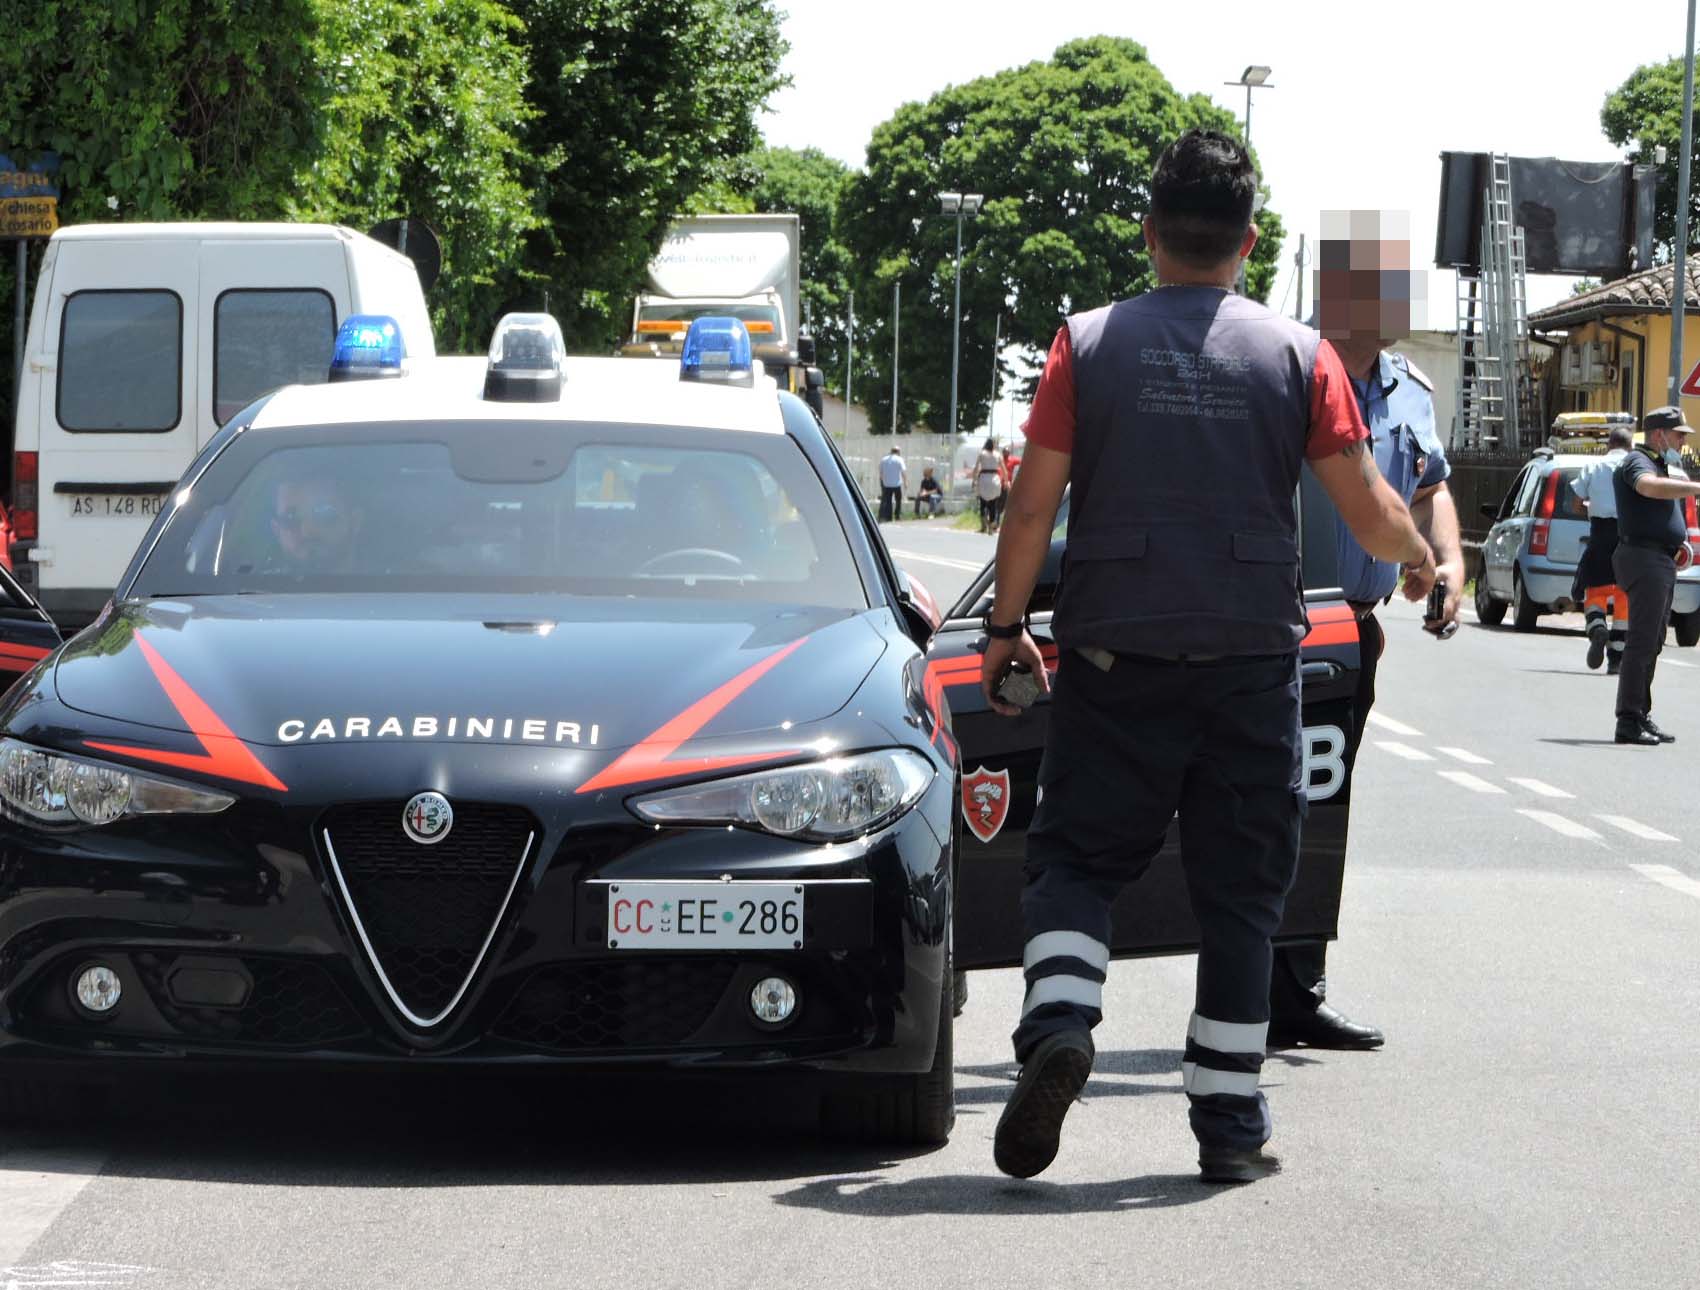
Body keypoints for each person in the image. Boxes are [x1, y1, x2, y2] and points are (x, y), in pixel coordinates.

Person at [979, 129, 1435, 1185]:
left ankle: (1059, 1018)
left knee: (1077, 863)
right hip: (1243, 658)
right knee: (1239, 894)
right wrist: (1416, 560)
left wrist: (1005, 634)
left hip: (1111, 653)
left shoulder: (1084, 345)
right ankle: (1226, 1126)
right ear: (1248, 242)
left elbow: (1031, 503)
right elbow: (1365, 510)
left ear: (1148, 235)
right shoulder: (1298, 356)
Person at [1267, 210, 1466, 1052]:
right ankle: (1255, 984)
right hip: (1277, 625)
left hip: (1354, 633)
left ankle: (1295, 991)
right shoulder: (1283, 372)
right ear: (1333, 291)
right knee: (1273, 806)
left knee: (1322, 804)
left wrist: (1448, 561)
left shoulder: (1411, 391)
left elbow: (1428, 490)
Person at [1611, 406, 1700, 745]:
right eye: (1678, 434)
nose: (1681, 440)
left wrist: (1679, 543)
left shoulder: (1660, 464)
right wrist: (1693, 488)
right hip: (1643, 558)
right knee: (1642, 641)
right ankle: (1628, 720)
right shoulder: (1639, 462)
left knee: (1654, 641)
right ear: (1659, 434)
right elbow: (1646, 488)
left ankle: (1641, 714)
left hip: (1658, 559)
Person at [1571, 426, 1633, 674]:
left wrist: (1589, 508)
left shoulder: (1594, 467)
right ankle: (1616, 658)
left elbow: (1576, 502)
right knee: (1623, 598)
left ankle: (1597, 627)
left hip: (1599, 535)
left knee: (1595, 590)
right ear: (1630, 447)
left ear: (1609, 444)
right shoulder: (1633, 467)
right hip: (1627, 538)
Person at [266, 471, 363, 573]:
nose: (307, 531)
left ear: (355, 521)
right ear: (276, 530)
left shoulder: (380, 586)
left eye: (324, 513)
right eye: (290, 518)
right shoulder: (254, 585)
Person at [975, 439, 1007, 533]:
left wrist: (974, 480)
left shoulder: (981, 454)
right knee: (993, 504)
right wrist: (1006, 481)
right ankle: (992, 525)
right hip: (994, 479)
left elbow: (976, 468)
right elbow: (1004, 469)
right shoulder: (998, 454)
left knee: (983, 503)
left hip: (984, 479)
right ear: (994, 445)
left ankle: (983, 525)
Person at [878, 444, 906, 522]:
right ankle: (897, 515)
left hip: (887, 484)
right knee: (898, 500)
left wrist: (882, 481)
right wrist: (906, 481)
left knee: (888, 501)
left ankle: (888, 517)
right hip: (897, 484)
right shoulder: (899, 459)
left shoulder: (884, 459)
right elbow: (903, 471)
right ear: (898, 452)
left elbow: (880, 472)